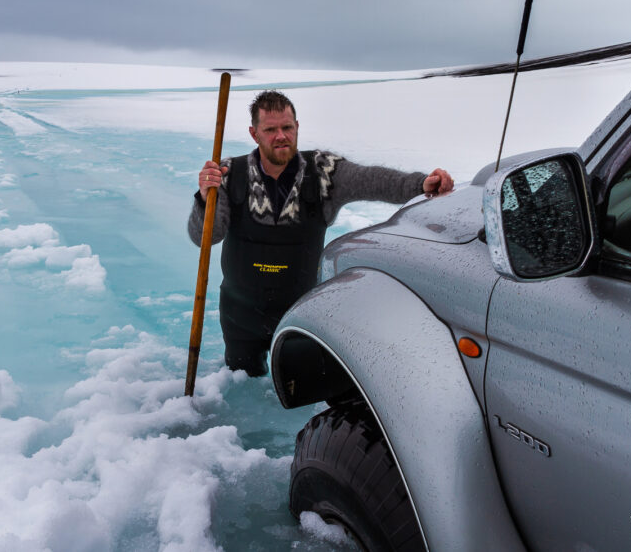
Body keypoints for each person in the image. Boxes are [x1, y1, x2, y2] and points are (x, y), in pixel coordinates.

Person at [187, 90, 454, 376]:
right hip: (240, 316)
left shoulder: (324, 172)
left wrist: (420, 184)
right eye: (270, 129)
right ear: (254, 134)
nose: (281, 136)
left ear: (297, 127)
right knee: (243, 383)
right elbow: (204, 236)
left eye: (287, 127)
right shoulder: (228, 175)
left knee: (301, 391)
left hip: (303, 315)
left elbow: (373, 180)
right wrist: (204, 198)